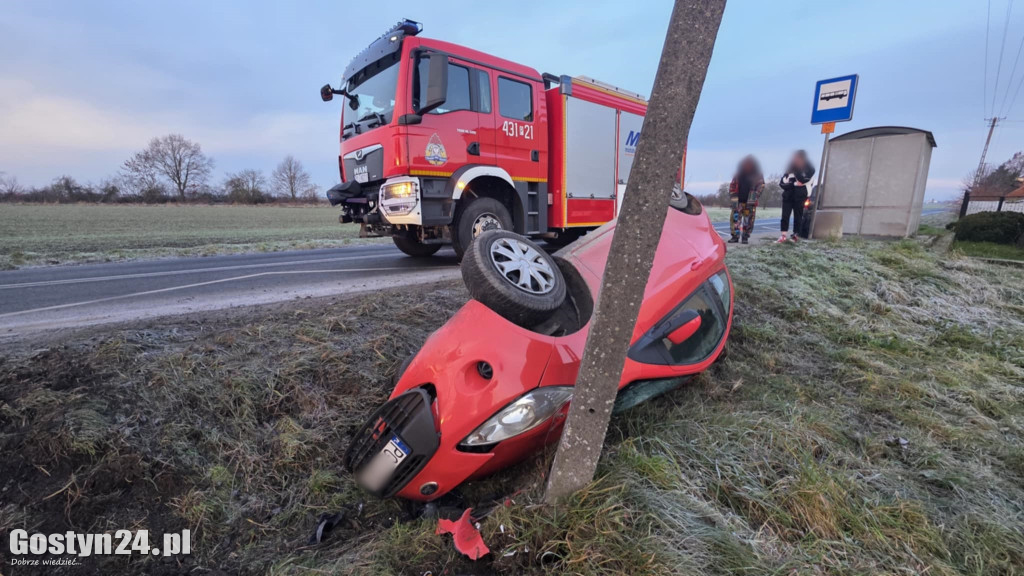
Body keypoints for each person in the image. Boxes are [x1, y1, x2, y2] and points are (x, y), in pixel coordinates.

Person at [778, 150, 815, 243]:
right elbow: (782, 183)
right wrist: (794, 183)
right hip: (788, 196)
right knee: (785, 216)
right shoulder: (790, 168)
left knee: (798, 216)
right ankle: (783, 235)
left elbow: (803, 180)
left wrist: (796, 172)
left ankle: (795, 234)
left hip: (800, 196)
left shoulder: (809, 169)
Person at [728, 155, 764, 244]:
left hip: (750, 203)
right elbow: (732, 185)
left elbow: (761, 186)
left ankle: (745, 237)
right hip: (738, 202)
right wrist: (733, 197)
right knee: (735, 220)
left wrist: (754, 197)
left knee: (748, 221)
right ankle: (735, 237)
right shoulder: (738, 174)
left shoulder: (757, 174)